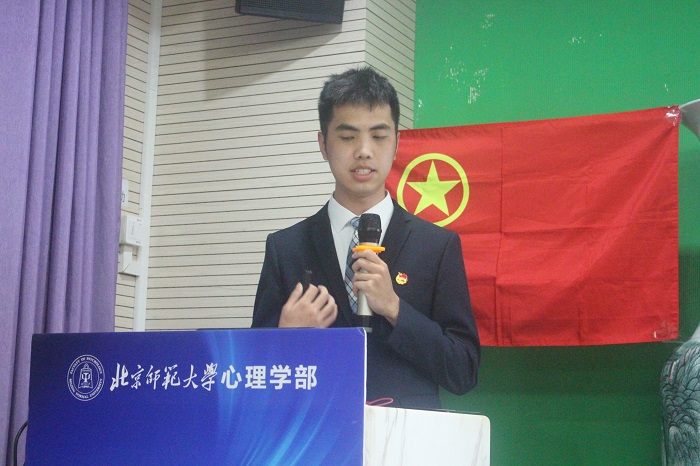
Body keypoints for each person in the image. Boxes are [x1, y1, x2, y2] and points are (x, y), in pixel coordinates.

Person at [252, 66, 480, 409]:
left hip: (406, 436)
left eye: (379, 136)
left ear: (397, 143)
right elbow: (253, 371)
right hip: (317, 431)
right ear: (323, 144)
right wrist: (285, 336)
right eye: (347, 137)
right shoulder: (285, 248)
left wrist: (395, 309)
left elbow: (463, 371)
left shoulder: (437, 246)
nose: (364, 151)